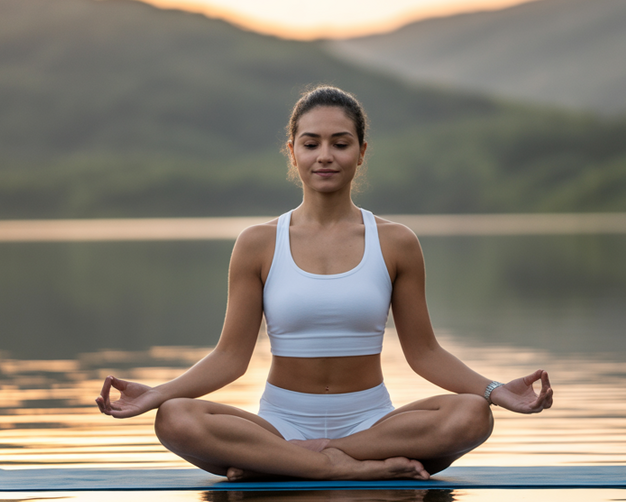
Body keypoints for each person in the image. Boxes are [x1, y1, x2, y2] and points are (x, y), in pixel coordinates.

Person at [96, 85, 553, 481]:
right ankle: (344, 469)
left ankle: (284, 464)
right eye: (311, 144)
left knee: (472, 413)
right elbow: (230, 358)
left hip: (374, 427)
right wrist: (158, 394)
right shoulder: (258, 243)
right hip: (281, 424)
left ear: (361, 152)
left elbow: (425, 352)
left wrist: (496, 391)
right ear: (292, 151)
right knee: (175, 418)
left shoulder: (396, 242)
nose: (326, 156)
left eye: (341, 143)